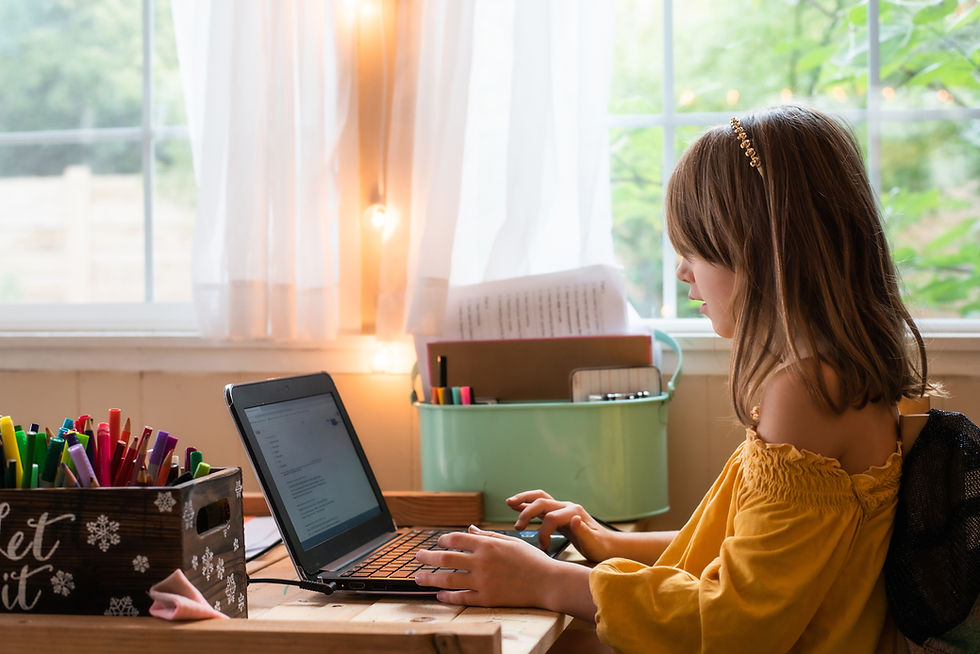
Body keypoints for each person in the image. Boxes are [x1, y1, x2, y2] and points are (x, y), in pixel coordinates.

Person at [415, 104, 931, 652]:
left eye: (695, 248)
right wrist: (604, 541)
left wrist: (543, 580)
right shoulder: (837, 379)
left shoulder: (806, 394)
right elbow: (731, 554)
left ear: (760, 247)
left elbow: (735, 622)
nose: (683, 270)